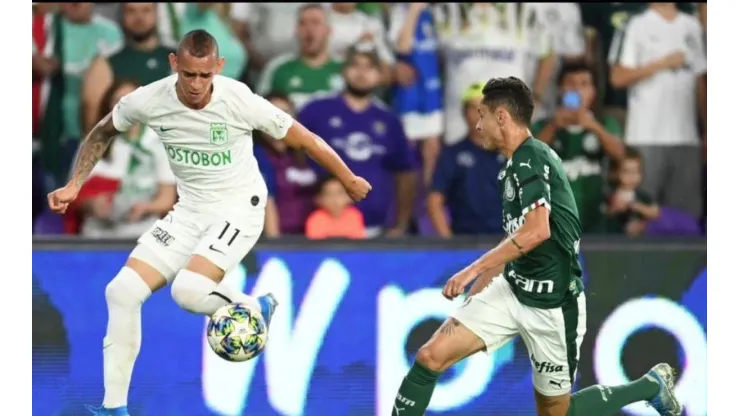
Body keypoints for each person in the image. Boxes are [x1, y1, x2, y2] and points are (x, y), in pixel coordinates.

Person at [47, 29, 371, 416]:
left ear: (218, 67)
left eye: (205, 75)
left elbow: (305, 140)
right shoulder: (150, 99)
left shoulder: (240, 99)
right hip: (190, 210)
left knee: (188, 291)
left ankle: (250, 306)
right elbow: (103, 132)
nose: (197, 84)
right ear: (174, 65)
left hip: (240, 206)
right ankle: (115, 409)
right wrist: (75, 183)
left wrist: (347, 177)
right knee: (121, 292)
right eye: (188, 75)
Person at [390, 77, 682, 416]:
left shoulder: (531, 158)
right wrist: (480, 293)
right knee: (430, 356)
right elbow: (516, 240)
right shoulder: (513, 166)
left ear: (502, 116)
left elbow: (536, 231)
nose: (477, 124)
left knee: (557, 412)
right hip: (513, 289)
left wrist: (473, 269)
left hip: (554, 306)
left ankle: (649, 387)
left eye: (482, 115)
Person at [299, 45, 417, 238]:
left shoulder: (389, 119)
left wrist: (401, 223)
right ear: (343, 70)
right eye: (355, 65)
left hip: (375, 230)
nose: (361, 73)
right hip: (320, 228)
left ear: (380, 75)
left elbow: (406, 173)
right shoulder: (316, 110)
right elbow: (294, 157)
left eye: (369, 67)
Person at [608, 2, 706, 220]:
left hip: (686, 138)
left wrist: (706, 129)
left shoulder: (692, 25)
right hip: (646, 136)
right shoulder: (634, 23)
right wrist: (661, 64)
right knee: (639, 216)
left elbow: (701, 82)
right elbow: (618, 77)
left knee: (686, 219)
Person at [68, 80, 177, 238]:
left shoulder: (159, 143)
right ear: (108, 106)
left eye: (131, 99)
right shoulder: (92, 143)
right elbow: (70, 196)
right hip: (96, 234)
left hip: (142, 234)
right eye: (118, 100)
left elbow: (166, 199)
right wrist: (91, 204)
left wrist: (145, 208)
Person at [532, 61, 624, 233]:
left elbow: (620, 154)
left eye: (584, 84)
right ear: (560, 90)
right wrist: (554, 126)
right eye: (570, 84)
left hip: (594, 220)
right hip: (554, 224)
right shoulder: (543, 125)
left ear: (593, 92)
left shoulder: (604, 124)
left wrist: (592, 126)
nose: (577, 90)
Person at [83, 3, 175, 134]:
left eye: (146, 10)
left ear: (157, 14)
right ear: (122, 15)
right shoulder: (106, 63)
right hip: (120, 148)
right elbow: (93, 122)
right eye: (131, 11)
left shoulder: (179, 58)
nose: (139, 17)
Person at [427, 82, 505, 237]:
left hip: (506, 243)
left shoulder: (513, 153)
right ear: (464, 113)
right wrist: (450, 245)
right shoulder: (451, 154)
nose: (479, 114)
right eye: (473, 108)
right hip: (465, 241)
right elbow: (434, 200)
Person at [257, 4, 344, 111]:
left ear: (329, 30)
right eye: (303, 23)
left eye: (315, 23)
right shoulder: (278, 68)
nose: (309, 30)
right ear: (296, 29)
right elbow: (259, 110)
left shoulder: (344, 69)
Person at [604, 147, 660, 237]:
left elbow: (656, 213)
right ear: (615, 173)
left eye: (636, 172)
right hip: (614, 241)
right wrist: (614, 209)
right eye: (626, 172)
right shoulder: (611, 195)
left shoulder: (643, 196)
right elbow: (604, 215)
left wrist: (636, 206)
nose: (631, 177)